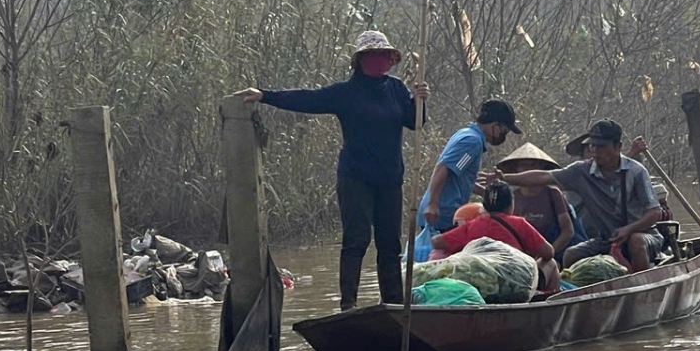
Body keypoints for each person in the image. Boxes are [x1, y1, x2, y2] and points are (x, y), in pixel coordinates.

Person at [236, 30, 429, 311]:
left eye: (385, 55)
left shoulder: (397, 89)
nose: (382, 60)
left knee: (390, 245)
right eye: (376, 55)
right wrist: (265, 95)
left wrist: (420, 100)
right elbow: (306, 99)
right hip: (356, 178)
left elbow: (416, 123)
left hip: (390, 180)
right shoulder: (346, 93)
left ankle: (393, 303)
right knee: (357, 239)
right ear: (362, 60)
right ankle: (348, 303)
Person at [495, 119, 663, 272]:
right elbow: (544, 177)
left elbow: (655, 213)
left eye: (602, 146)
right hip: (607, 240)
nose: (596, 151)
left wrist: (629, 229)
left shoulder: (636, 171)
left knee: (636, 242)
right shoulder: (581, 171)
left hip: (644, 235)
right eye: (593, 146)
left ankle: (639, 288)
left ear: (618, 147)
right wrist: (503, 178)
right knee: (571, 255)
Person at [431, 181, 560, 293]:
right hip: (518, 284)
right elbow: (548, 252)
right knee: (551, 263)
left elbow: (437, 242)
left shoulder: (472, 226)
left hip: (480, 283)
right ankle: (545, 302)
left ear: (485, 206)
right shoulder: (519, 224)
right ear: (511, 204)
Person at [418, 99, 521, 236]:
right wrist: (433, 204)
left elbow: (457, 173)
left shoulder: (466, 134)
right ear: (495, 125)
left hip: (441, 213)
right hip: (442, 215)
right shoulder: (472, 142)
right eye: (504, 131)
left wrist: (489, 195)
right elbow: (444, 168)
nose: (503, 136)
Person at [496, 143, 576, 262]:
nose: (528, 169)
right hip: (519, 256)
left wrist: (547, 253)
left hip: (550, 256)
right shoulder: (512, 195)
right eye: (523, 165)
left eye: (533, 165)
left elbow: (567, 232)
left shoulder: (553, 194)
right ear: (516, 169)